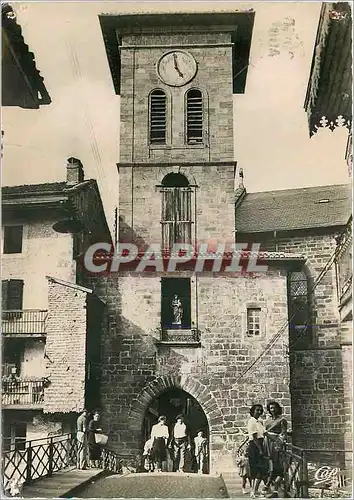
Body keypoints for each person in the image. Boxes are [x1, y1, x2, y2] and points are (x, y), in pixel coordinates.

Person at [263, 401, 287, 495]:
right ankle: (269, 484)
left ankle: (274, 487)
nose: (273, 410)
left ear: (278, 408)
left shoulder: (282, 420)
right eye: (271, 408)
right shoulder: (267, 420)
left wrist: (279, 444)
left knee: (276, 463)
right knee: (267, 463)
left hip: (275, 442)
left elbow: (283, 434)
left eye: (274, 408)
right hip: (267, 442)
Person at [247, 404, 268, 498]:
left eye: (260, 410)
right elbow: (255, 437)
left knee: (261, 469)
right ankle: (253, 491)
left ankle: (256, 490)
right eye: (257, 410)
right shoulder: (251, 422)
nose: (259, 412)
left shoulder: (259, 422)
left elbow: (265, 433)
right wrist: (260, 450)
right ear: (253, 411)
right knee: (257, 469)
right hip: (255, 446)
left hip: (260, 444)